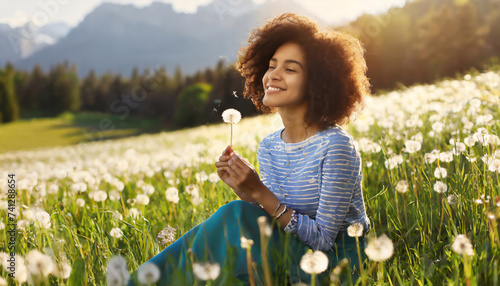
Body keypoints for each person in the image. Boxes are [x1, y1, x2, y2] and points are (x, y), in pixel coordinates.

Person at [127, 12, 371, 285]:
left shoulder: (336, 146)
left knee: (234, 214)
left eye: (290, 69)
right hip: (289, 250)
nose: (273, 75)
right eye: (271, 65)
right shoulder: (269, 146)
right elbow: (270, 219)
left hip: (335, 264)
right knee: (236, 215)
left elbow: (323, 240)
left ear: (318, 84)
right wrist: (246, 192)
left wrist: (258, 192)